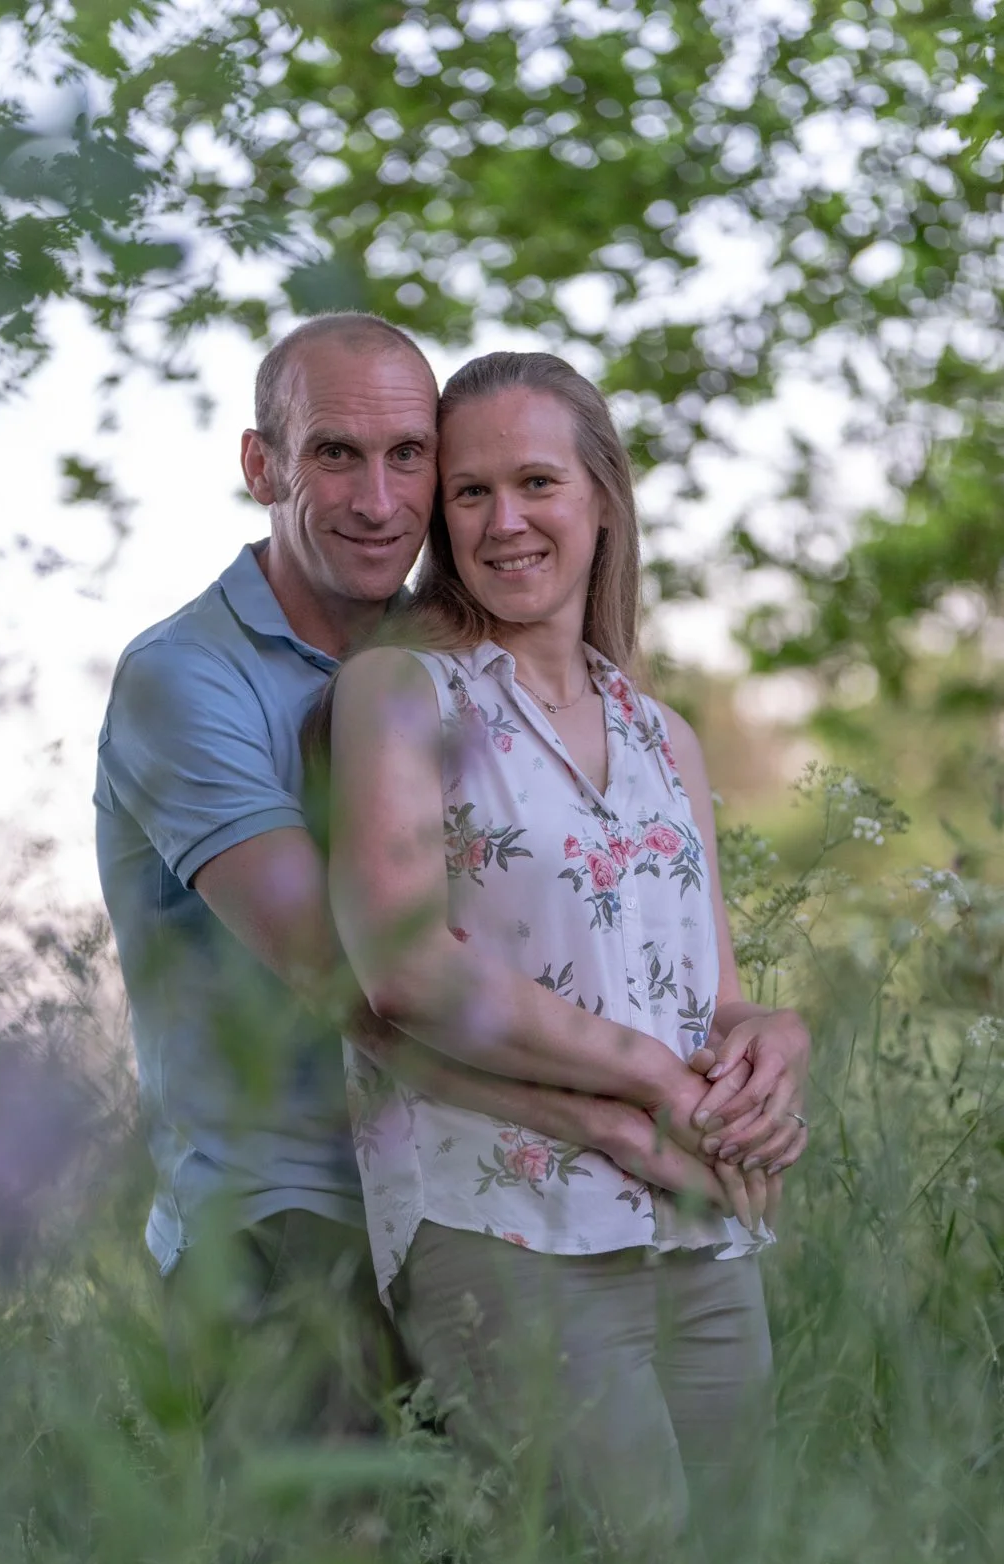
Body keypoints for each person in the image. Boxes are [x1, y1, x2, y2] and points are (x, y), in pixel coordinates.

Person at [94, 315, 764, 1463]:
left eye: (409, 456)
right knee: (333, 1559)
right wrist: (622, 1114)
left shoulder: (467, 676)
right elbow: (362, 989)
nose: (378, 499)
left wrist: (762, 1037)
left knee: (511, 1559)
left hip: (480, 1191)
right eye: (335, 454)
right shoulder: (187, 680)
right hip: (290, 1212)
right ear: (262, 465)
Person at [317, 349, 810, 1564]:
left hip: (697, 1222)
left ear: (601, 498)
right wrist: (653, 1078)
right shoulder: (401, 693)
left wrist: (769, 1039)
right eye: (470, 493)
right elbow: (402, 970)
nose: (505, 521)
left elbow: (710, 990)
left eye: (536, 481)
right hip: (504, 1220)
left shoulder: (662, 732)